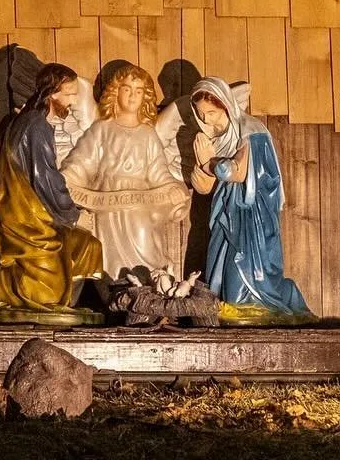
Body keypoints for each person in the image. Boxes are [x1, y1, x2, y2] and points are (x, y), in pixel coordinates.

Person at [0, 61, 104, 317]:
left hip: (32, 214)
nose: (74, 101)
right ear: (52, 94)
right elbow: (46, 181)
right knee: (68, 258)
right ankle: (11, 291)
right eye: (70, 94)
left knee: (88, 247)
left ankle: (66, 305)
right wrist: (74, 216)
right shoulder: (36, 126)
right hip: (23, 222)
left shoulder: (30, 121)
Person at [189, 76, 311, 324]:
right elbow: (207, 187)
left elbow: (235, 172)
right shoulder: (218, 138)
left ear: (226, 105)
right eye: (201, 114)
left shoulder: (250, 129)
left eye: (211, 113)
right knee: (220, 262)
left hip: (252, 212)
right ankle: (232, 306)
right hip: (226, 212)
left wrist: (208, 163)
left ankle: (252, 306)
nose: (206, 120)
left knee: (245, 265)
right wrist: (201, 172)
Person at [62, 60, 191, 279]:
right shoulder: (101, 129)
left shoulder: (148, 135)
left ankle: (146, 286)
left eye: (139, 91)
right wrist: (66, 181)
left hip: (140, 206)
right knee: (105, 252)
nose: (132, 96)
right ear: (116, 92)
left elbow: (159, 173)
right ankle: (109, 287)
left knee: (144, 238)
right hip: (105, 201)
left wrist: (172, 188)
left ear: (145, 97)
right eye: (127, 89)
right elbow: (82, 164)